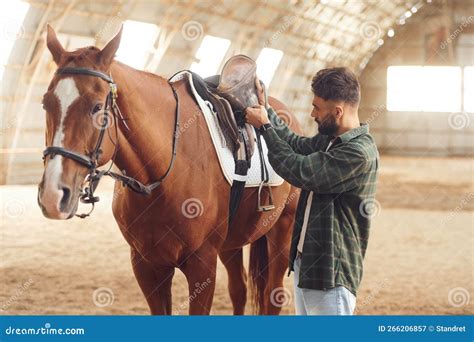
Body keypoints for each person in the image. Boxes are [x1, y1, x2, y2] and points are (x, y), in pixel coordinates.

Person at [245, 67, 379, 315]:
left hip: (330, 273)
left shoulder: (357, 153)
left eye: (317, 108)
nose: (312, 113)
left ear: (337, 111)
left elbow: (299, 170)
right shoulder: (331, 139)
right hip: (308, 265)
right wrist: (268, 110)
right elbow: (296, 144)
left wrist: (264, 128)